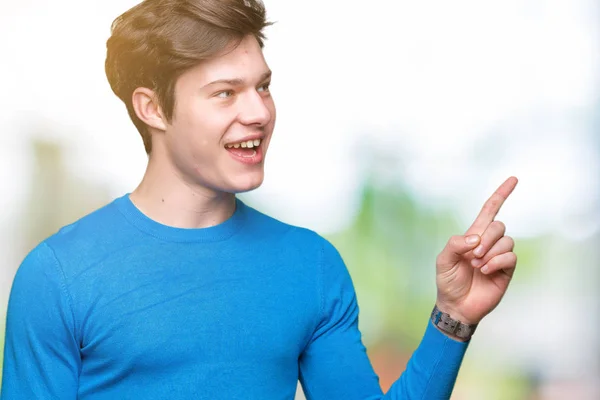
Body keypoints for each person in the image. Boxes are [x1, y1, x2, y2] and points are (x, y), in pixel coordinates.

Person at [1, 0, 518, 399]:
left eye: (263, 87)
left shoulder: (310, 265)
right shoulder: (57, 277)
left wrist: (454, 316)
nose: (259, 113)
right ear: (153, 108)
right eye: (226, 92)